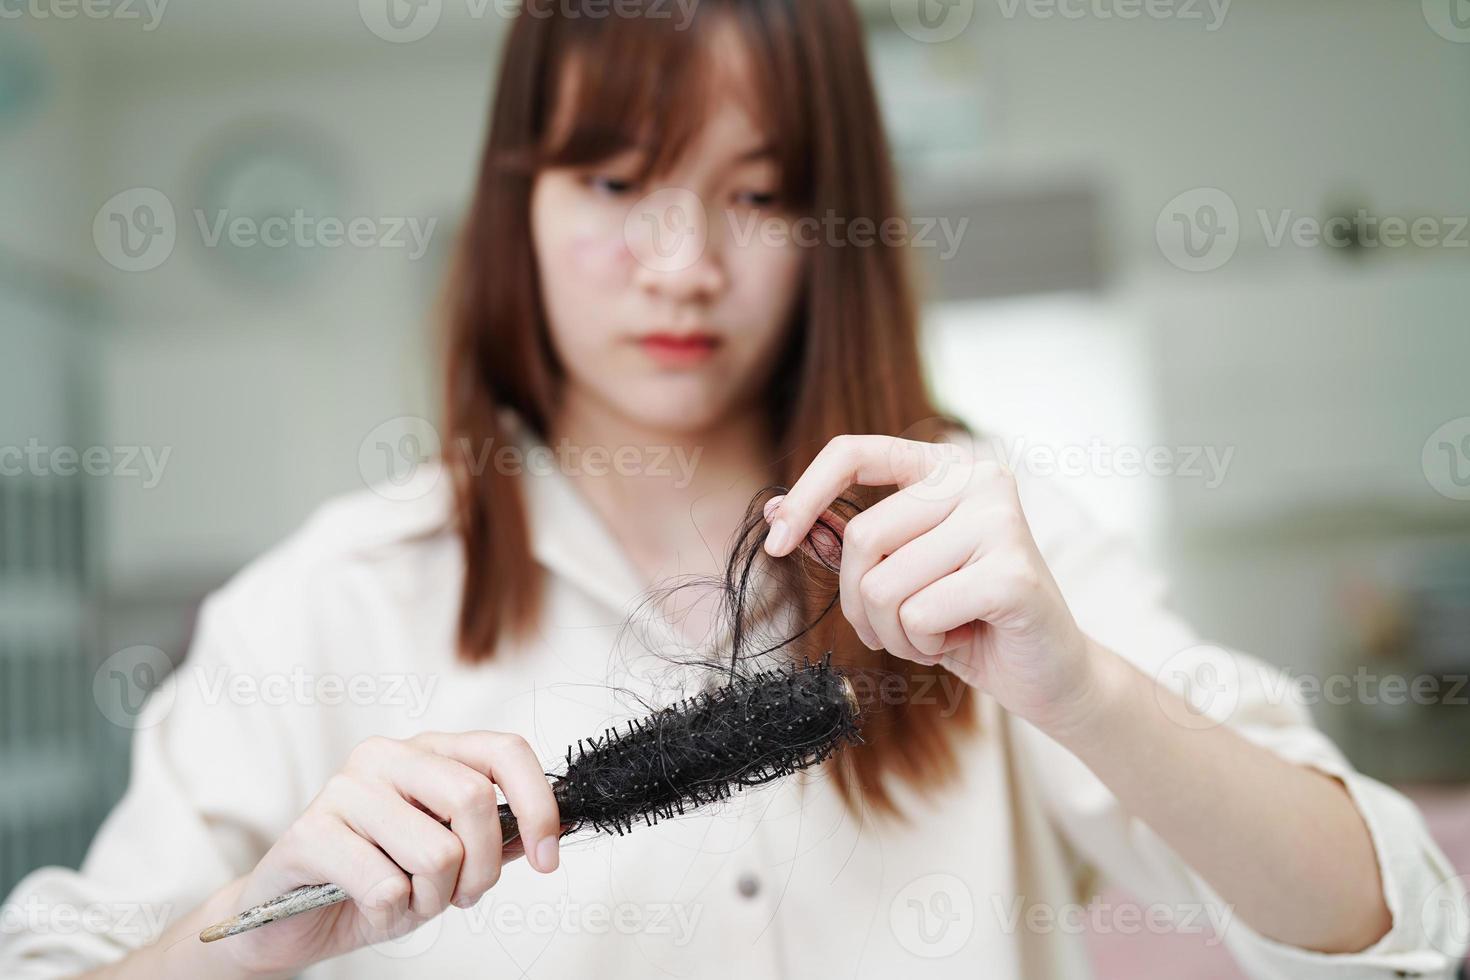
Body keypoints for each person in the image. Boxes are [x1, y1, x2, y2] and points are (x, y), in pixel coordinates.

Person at [3, 1, 1466, 978]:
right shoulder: (329, 601)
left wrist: (1078, 687)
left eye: (759, 192)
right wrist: (252, 932)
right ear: (518, 198)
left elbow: (1387, 922)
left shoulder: (984, 542)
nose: (685, 264)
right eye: (617, 182)